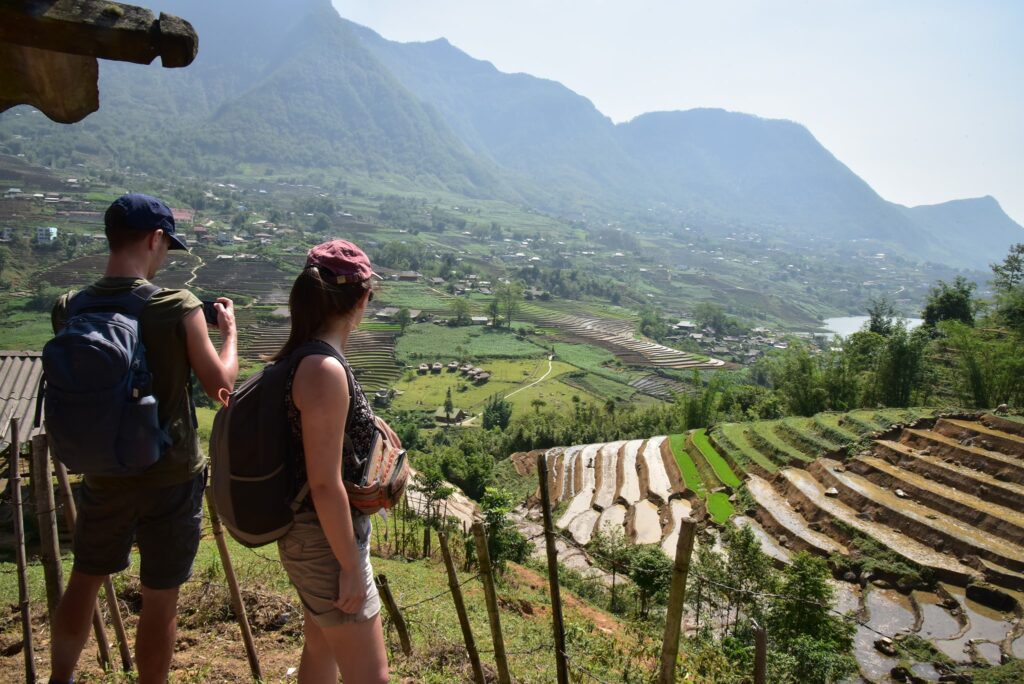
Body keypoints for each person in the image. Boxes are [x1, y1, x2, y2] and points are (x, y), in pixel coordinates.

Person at [48, 194, 238, 684]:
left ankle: (60, 678)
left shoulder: (69, 308)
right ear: (155, 239)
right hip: (170, 475)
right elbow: (221, 387)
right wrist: (229, 334)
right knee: (160, 597)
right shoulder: (177, 306)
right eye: (166, 246)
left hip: (102, 469)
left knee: (84, 579)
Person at [272, 239, 394, 683]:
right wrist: (349, 567)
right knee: (371, 676)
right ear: (362, 299)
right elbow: (324, 483)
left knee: (321, 649)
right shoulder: (324, 369)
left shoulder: (310, 357)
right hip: (324, 539)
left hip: (315, 533)